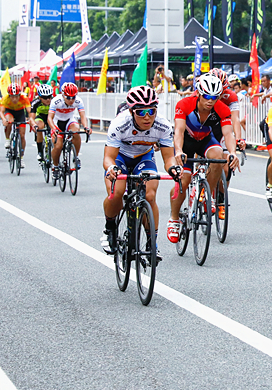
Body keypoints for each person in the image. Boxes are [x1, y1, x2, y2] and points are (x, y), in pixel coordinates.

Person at [102, 86, 182, 256]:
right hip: (120, 158)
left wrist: (173, 168)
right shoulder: (119, 124)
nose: (147, 117)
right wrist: (111, 168)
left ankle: (152, 242)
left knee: (150, 195)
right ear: (131, 112)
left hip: (144, 158)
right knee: (116, 192)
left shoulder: (163, 126)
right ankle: (109, 227)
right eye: (141, 112)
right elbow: (108, 157)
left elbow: (168, 158)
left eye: (151, 111)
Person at [167, 73, 239, 244]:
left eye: (214, 97)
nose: (210, 101)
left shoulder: (222, 108)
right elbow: (178, 131)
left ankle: (208, 195)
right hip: (186, 142)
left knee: (218, 157)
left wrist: (233, 153)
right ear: (198, 93)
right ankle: (174, 219)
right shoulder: (185, 104)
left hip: (205, 140)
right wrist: (178, 151)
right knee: (183, 182)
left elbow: (228, 134)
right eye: (206, 96)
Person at [48, 82, 90, 174]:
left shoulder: (78, 101)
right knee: (58, 146)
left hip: (69, 120)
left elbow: (82, 116)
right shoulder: (56, 101)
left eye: (73, 97)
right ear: (63, 95)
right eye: (68, 97)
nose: (71, 100)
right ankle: (55, 166)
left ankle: (76, 157)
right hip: (57, 122)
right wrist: (53, 128)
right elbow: (49, 118)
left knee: (76, 131)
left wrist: (86, 127)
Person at [0, 83, 32, 166]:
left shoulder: (24, 98)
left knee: (22, 135)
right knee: (9, 121)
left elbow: (30, 112)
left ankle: (21, 158)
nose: (14, 99)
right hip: (9, 111)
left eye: (16, 96)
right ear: (9, 95)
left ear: (19, 95)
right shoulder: (5, 98)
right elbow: (1, 112)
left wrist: (31, 120)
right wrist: (3, 120)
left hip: (20, 113)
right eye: (12, 96)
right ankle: (7, 139)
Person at [29, 84, 54, 162]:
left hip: (51, 117)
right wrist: (34, 125)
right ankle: (40, 151)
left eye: (49, 97)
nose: (48, 100)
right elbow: (31, 118)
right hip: (40, 117)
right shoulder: (35, 102)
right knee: (40, 127)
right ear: (39, 97)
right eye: (45, 98)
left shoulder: (54, 101)